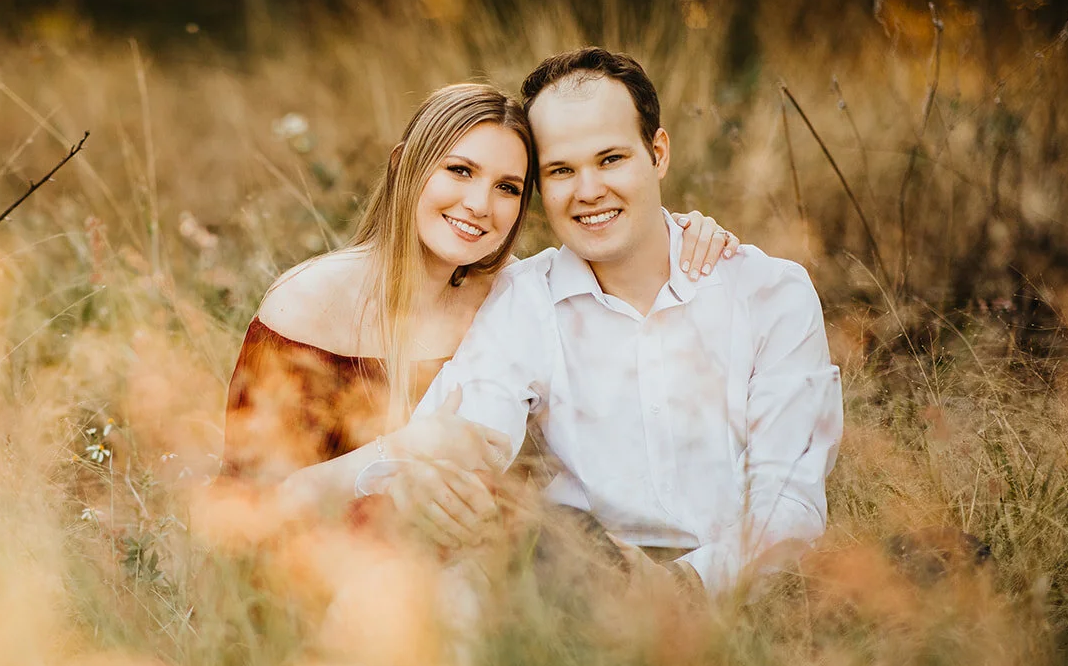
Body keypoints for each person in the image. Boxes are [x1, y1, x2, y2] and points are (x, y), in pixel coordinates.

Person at [396, 49, 843, 591]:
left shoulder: (771, 294)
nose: (588, 192)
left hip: (740, 592)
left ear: (657, 153)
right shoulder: (525, 299)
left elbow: (788, 500)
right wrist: (444, 477)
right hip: (582, 584)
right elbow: (468, 426)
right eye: (561, 170)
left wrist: (683, 587)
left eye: (611, 159)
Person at [220, 81, 739, 547]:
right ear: (405, 165)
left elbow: (627, 274)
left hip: (467, 570)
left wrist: (684, 235)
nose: (479, 204)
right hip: (313, 572)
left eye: (507, 187)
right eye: (460, 171)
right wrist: (405, 449)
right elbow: (245, 511)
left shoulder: (512, 293)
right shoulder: (310, 301)